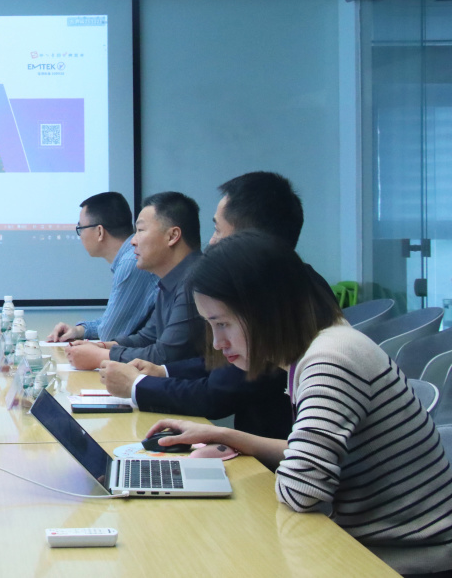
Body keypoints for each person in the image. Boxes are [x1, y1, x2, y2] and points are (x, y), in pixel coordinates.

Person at [146, 231, 452, 576]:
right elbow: (307, 456)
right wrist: (225, 436)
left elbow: (301, 491)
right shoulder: (321, 348)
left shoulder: (331, 360)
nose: (217, 342)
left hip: (403, 561)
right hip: (377, 546)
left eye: (224, 324)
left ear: (267, 310)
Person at [100, 172, 310, 438]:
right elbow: (221, 365)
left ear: (251, 240)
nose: (211, 242)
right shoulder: (284, 282)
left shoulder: (277, 298)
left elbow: (217, 392)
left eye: (218, 230)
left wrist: (136, 384)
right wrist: (162, 372)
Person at [67, 191, 203, 369]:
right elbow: (147, 338)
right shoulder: (169, 281)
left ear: (172, 236)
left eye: (140, 230)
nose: (133, 241)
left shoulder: (197, 281)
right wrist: (101, 347)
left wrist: (101, 356)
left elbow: (165, 355)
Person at [46, 192, 158, 344]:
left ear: (100, 232)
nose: (80, 235)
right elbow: (111, 321)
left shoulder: (131, 262)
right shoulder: (129, 258)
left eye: (81, 228)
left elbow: (109, 333)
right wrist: (79, 330)